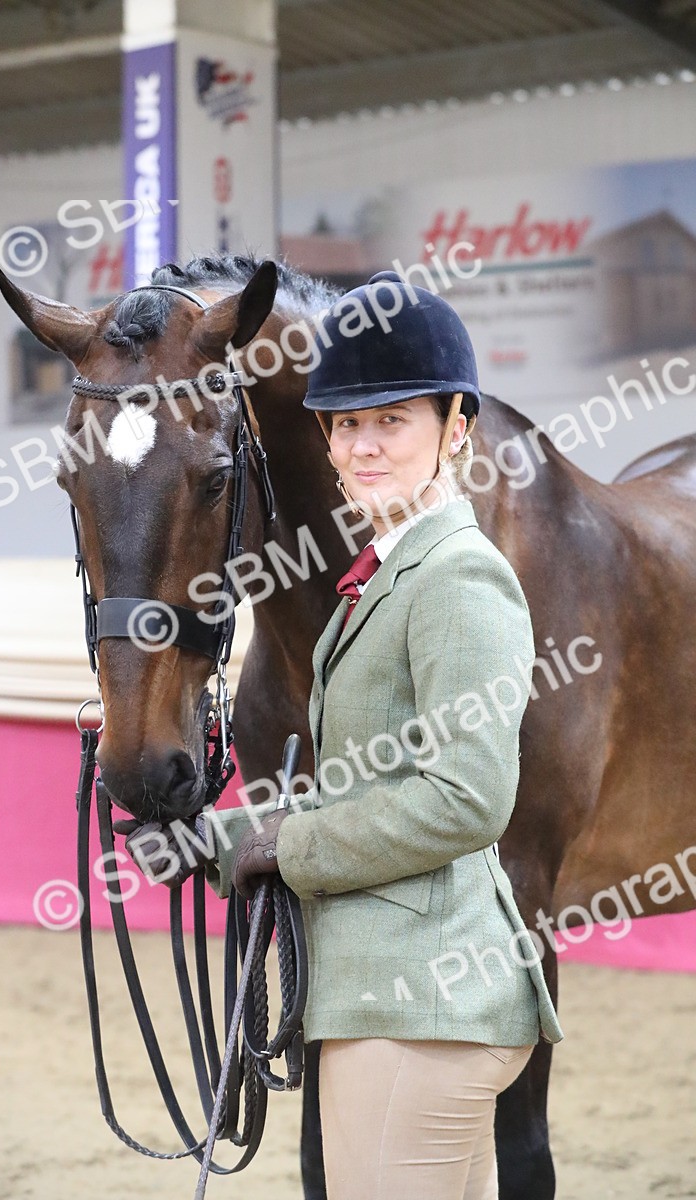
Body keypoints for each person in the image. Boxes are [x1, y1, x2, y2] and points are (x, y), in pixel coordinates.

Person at [123, 271, 564, 1200]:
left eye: (391, 422)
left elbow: (466, 799)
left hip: (418, 1007)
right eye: (344, 425)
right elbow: (371, 787)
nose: (362, 447)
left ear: (456, 429)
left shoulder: (456, 577)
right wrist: (213, 841)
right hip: (387, 1000)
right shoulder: (388, 572)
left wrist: (288, 841)